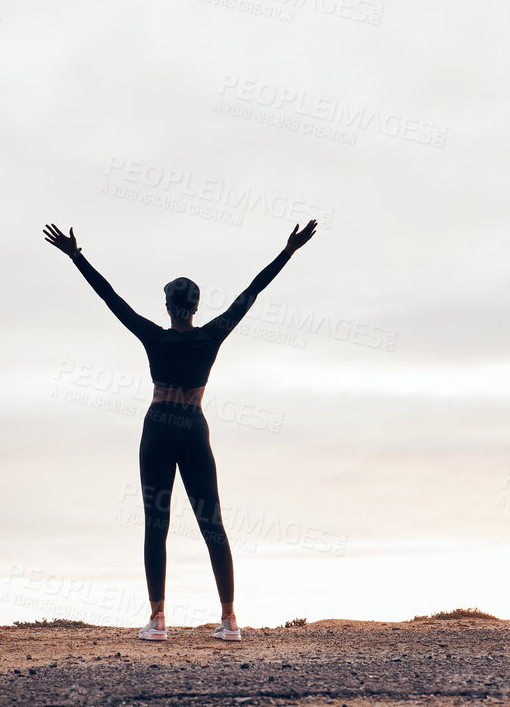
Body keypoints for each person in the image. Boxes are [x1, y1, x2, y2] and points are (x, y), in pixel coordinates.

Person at [43, 219, 318, 643]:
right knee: (213, 523)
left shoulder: (153, 336)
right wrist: (288, 251)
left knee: (157, 522)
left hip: (157, 428)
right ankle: (229, 622)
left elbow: (111, 299)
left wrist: (77, 256)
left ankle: (157, 622)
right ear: (195, 306)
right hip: (193, 428)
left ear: (169, 306)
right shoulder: (212, 336)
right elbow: (251, 293)